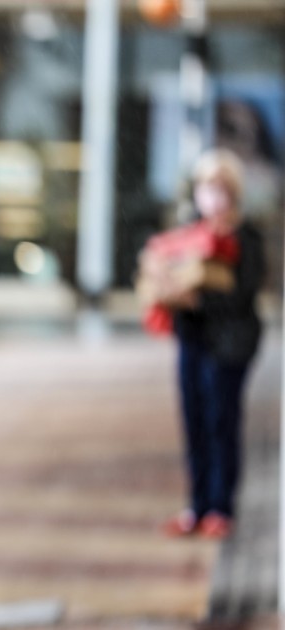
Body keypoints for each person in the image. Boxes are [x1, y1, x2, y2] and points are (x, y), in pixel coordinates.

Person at [160, 148, 265, 540]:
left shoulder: (245, 238)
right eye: (206, 187)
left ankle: (221, 506)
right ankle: (197, 505)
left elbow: (243, 293)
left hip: (229, 345)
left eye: (220, 188)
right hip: (194, 341)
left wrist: (199, 297)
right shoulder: (188, 233)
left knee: (222, 422)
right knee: (194, 424)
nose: (213, 196)